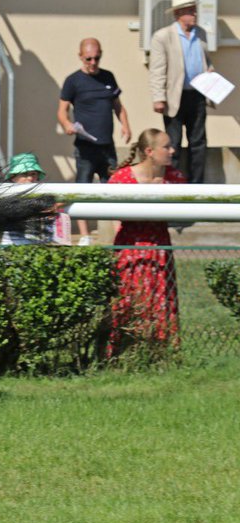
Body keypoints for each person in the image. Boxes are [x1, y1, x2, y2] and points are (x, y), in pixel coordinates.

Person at [107, 128, 184, 356]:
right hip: (129, 244)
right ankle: (125, 349)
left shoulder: (175, 178)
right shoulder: (121, 178)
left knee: (162, 294)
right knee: (128, 294)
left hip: (160, 244)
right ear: (149, 151)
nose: (172, 150)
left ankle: (159, 351)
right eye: (166, 146)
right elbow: (110, 211)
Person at [58, 37, 131, 243]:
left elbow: (118, 105)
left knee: (114, 189)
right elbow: (62, 111)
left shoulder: (108, 77)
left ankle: (120, 234)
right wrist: (67, 125)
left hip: (107, 147)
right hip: (85, 147)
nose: (93, 63)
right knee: (83, 189)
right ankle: (84, 235)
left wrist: (125, 124)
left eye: (96, 58)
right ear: (80, 56)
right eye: (88, 58)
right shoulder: (73, 81)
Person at [149, 0, 211, 184]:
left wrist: (210, 72)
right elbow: (157, 69)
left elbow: (205, 61)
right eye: (190, 11)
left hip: (197, 96)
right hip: (174, 97)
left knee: (198, 143)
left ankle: (196, 185)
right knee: (172, 143)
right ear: (179, 14)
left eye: (194, 10)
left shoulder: (201, 34)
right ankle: (174, 185)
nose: (194, 14)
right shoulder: (163, 36)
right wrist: (158, 97)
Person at [0, 153, 66, 246]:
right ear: (13, 176)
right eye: (24, 174)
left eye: (33, 174)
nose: (30, 178)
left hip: (39, 245)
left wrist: (55, 206)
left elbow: (67, 197)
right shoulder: (5, 192)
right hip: (14, 243)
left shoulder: (43, 190)